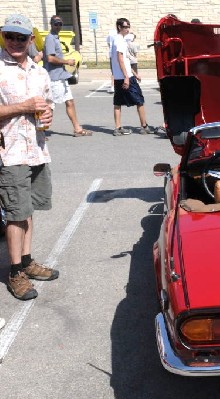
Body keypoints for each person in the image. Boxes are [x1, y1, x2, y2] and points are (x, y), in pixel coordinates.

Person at [0, 14, 60, 301]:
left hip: (36, 148)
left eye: (20, 37)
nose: (14, 42)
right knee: (15, 213)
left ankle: (26, 261)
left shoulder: (39, 71)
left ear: (30, 39)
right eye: (9, 36)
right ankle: (14, 273)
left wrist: (48, 112)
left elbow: (47, 103)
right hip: (9, 151)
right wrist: (21, 107)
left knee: (28, 209)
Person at [43, 15, 93, 137]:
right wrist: (66, 61)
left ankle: (77, 129)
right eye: (56, 24)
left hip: (61, 76)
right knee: (50, 105)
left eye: (60, 24)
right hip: (54, 78)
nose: (58, 26)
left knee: (69, 102)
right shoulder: (50, 38)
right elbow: (50, 58)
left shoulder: (56, 37)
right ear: (51, 24)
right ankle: (40, 131)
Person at [110, 18, 152, 136]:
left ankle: (118, 128)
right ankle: (144, 126)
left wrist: (134, 73)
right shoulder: (119, 40)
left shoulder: (118, 40)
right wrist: (127, 77)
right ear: (119, 27)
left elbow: (126, 60)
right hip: (124, 77)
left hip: (122, 76)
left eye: (128, 26)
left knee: (118, 102)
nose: (127, 29)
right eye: (125, 27)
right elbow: (120, 59)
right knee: (139, 100)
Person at [106, 29, 117, 93]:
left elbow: (108, 44)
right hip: (118, 54)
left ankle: (113, 86)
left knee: (113, 71)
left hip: (112, 55)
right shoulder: (118, 36)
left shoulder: (109, 36)